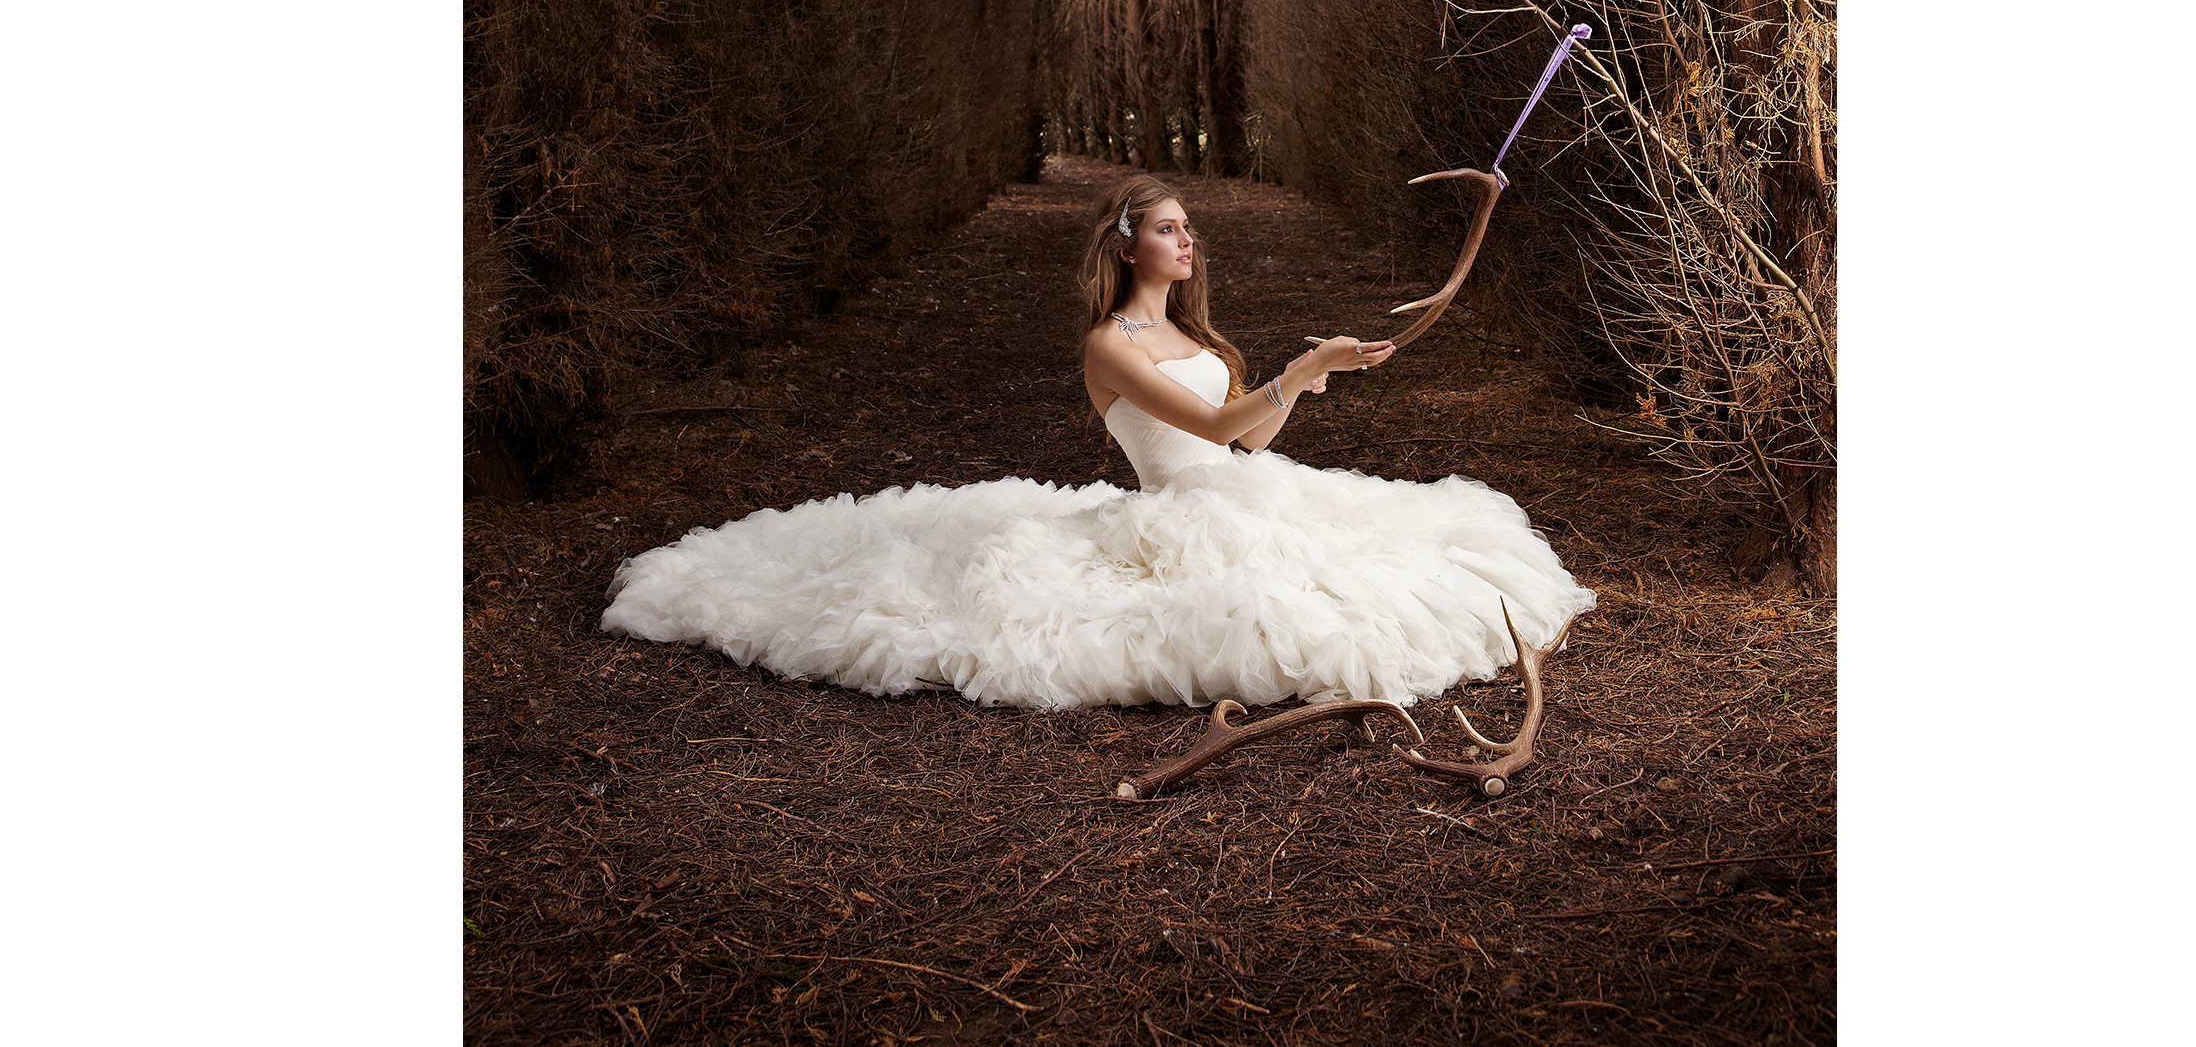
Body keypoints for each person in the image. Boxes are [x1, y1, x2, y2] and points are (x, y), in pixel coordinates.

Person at [599, 174, 1594, 710]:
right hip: (1177, 514)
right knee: (1276, 612)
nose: (1187, 239)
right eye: (1169, 228)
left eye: (1189, 226)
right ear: (1128, 246)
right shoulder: (1108, 345)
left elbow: (1244, 439)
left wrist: (1303, 383)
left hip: (1239, 491)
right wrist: (1294, 370)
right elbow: (1204, 427)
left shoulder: (1197, 336)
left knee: (1419, 551)